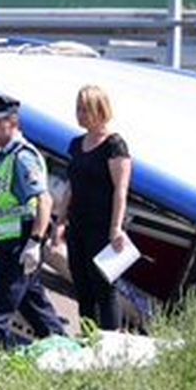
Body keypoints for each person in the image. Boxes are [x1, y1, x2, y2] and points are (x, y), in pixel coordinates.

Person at [0, 95, 65, 348]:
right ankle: (67, 354)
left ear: (13, 122)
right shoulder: (6, 156)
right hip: (11, 243)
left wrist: (34, 242)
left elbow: (45, 201)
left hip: (22, 243)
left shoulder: (23, 157)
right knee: (36, 307)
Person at [54, 85, 132, 332]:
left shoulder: (114, 145)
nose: (80, 114)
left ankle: (111, 341)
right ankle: (88, 337)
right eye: (78, 109)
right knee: (83, 287)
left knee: (104, 288)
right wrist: (60, 222)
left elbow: (121, 189)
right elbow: (71, 186)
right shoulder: (76, 144)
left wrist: (116, 228)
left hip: (103, 226)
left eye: (85, 109)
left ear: (100, 110)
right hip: (79, 224)